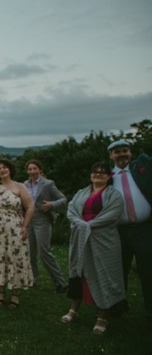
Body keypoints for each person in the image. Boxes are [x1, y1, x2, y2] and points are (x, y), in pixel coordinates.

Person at [61, 161, 127, 334]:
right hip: (81, 239)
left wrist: (88, 225)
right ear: (90, 175)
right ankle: (73, 309)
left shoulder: (114, 195)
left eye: (102, 172)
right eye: (95, 172)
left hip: (103, 239)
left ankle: (102, 316)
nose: (98, 174)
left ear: (108, 176)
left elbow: (112, 215)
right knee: (79, 272)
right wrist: (81, 225)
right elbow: (71, 210)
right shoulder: (81, 193)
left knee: (103, 273)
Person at [0, 159, 34, 308]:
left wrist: (25, 226)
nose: (2, 170)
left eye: (5, 167)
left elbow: (30, 207)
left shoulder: (19, 186)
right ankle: (0, 291)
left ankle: (15, 294)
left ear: (10, 169)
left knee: (14, 257)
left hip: (14, 226)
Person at [107, 139, 152, 323]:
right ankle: (117, 307)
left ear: (130, 152)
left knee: (148, 270)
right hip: (119, 231)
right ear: (111, 156)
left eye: (125, 150)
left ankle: (151, 310)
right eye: (117, 152)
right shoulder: (108, 177)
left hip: (144, 229)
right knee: (118, 270)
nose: (121, 154)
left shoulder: (142, 170)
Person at [23, 159, 68, 293]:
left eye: (34, 168)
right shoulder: (24, 185)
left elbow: (63, 199)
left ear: (40, 170)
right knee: (30, 253)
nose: (32, 171)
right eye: (30, 169)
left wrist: (52, 205)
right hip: (28, 221)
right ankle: (33, 279)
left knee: (44, 252)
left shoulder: (48, 184)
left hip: (42, 221)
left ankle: (60, 282)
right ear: (27, 171)